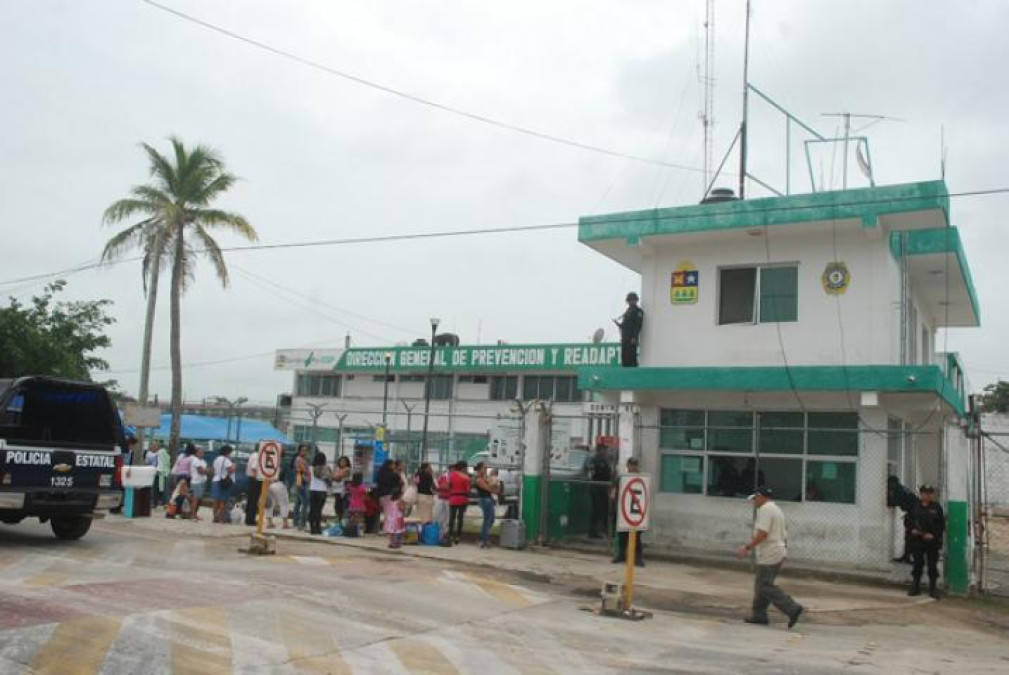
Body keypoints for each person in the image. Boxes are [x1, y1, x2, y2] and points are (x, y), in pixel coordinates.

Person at [735, 486, 803, 628]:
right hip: (777, 551)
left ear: (761, 497)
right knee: (761, 584)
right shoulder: (777, 510)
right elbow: (784, 535)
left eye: (755, 499)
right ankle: (759, 614)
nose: (754, 502)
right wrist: (784, 553)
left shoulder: (766, 509)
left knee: (765, 585)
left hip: (769, 552)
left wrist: (747, 547)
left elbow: (762, 534)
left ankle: (792, 608)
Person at [907, 484, 945, 599]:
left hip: (931, 542)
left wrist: (933, 535)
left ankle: (933, 588)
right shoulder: (915, 506)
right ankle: (915, 586)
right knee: (917, 563)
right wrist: (912, 530)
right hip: (917, 540)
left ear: (932, 495)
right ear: (920, 494)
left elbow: (941, 525)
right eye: (924, 493)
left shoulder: (936, 507)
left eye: (929, 493)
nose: (926, 495)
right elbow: (908, 521)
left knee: (932, 565)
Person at [611, 457, 644, 567]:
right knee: (622, 535)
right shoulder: (621, 478)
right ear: (628, 466)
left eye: (635, 465)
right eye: (631, 465)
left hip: (635, 511)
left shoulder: (641, 478)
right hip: (623, 510)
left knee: (636, 537)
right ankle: (621, 555)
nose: (633, 467)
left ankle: (638, 558)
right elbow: (614, 491)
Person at [888, 475, 917, 564]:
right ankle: (906, 556)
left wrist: (887, 500)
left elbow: (893, 503)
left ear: (893, 483)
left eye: (889, 484)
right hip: (912, 512)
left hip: (914, 513)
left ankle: (910, 557)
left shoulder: (898, 490)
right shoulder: (901, 488)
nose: (889, 486)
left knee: (912, 536)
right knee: (908, 536)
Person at [587, 444, 613, 538]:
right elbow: (592, 474)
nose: (605, 452)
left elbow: (609, 472)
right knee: (597, 510)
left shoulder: (606, 460)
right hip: (596, 488)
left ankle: (604, 530)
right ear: (599, 450)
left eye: (606, 450)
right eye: (604, 450)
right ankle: (593, 531)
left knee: (605, 509)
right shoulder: (594, 461)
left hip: (604, 487)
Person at [614, 291, 644, 367]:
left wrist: (634, 337)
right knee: (624, 358)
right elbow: (625, 325)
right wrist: (619, 325)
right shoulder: (627, 311)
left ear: (636, 300)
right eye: (629, 300)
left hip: (631, 338)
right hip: (625, 338)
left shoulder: (638, 311)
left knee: (631, 357)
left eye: (633, 300)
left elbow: (638, 325)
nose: (631, 301)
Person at [447, 461, 471, 546]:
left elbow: (448, 486)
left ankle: (450, 535)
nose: (467, 469)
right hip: (462, 498)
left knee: (452, 518)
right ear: (463, 468)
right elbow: (468, 490)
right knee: (460, 518)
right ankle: (458, 537)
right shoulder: (466, 477)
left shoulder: (451, 475)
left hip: (453, 498)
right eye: (466, 468)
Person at [473, 462, 496, 549]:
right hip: (484, 500)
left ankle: (481, 538)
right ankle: (485, 541)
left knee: (491, 519)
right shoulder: (479, 479)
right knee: (487, 520)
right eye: (484, 468)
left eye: (486, 468)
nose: (486, 469)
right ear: (479, 469)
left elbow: (493, 486)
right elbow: (488, 488)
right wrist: (493, 488)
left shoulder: (485, 478)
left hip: (489, 499)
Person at [211, 445, 236, 524]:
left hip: (215, 480)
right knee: (223, 501)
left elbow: (214, 469)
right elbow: (230, 470)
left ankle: (215, 517)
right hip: (224, 482)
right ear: (227, 452)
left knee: (216, 501)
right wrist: (234, 466)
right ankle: (222, 518)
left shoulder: (216, 459)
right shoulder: (226, 460)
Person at [308, 451, 331, 535]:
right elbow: (329, 478)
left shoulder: (311, 467)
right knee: (319, 510)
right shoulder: (326, 468)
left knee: (312, 510)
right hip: (322, 490)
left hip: (312, 490)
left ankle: (312, 527)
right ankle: (317, 527)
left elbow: (308, 478)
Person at [292, 445, 311, 531]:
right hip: (301, 480)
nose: (305, 452)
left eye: (306, 450)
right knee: (305, 503)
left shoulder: (303, 460)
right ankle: (301, 523)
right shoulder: (299, 459)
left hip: (300, 480)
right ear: (299, 451)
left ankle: (296, 522)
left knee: (298, 502)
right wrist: (308, 472)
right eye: (303, 450)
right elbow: (303, 470)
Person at [188, 446, 208, 521]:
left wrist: (205, 470)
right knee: (195, 500)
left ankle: (195, 514)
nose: (201, 453)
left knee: (199, 500)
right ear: (196, 453)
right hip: (196, 482)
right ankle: (192, 515)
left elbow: (207, 471)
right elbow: (201, 471)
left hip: (202, 482)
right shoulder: (195, 460)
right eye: (199, 452)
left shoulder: (203, 461)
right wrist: (206, 470)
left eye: (202, 452)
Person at [245, 445, 262, 527]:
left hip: (251, 478)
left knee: (251, 499)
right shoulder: (258, 456)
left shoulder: (253, 455)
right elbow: (254, 468)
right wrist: (257, 479)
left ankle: (248, 518)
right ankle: (251, 519)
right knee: (253, 500)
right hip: (255, 479)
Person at [331, 456, 352, 522]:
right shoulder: (337, 469)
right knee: (337, 506)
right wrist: (334, 476)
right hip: (336, 490)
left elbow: (338, 477)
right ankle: (339, 519)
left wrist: (335, 476)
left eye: (344, 461)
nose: (342, 462)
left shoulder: (348, 469)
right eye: (341, 461)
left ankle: (343, 520)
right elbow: (332, 476)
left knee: (343, 506)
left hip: (344, 491)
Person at [434, 465, 451, 543]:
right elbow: (437, 486)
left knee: (447, 517)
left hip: (449, 499)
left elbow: (448, 487)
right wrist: (444, 487)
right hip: (441, 498)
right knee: (440, 516)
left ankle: (444, 534)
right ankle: (439, 534)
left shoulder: (452, 477)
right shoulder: (443, 476)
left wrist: (445, 487)